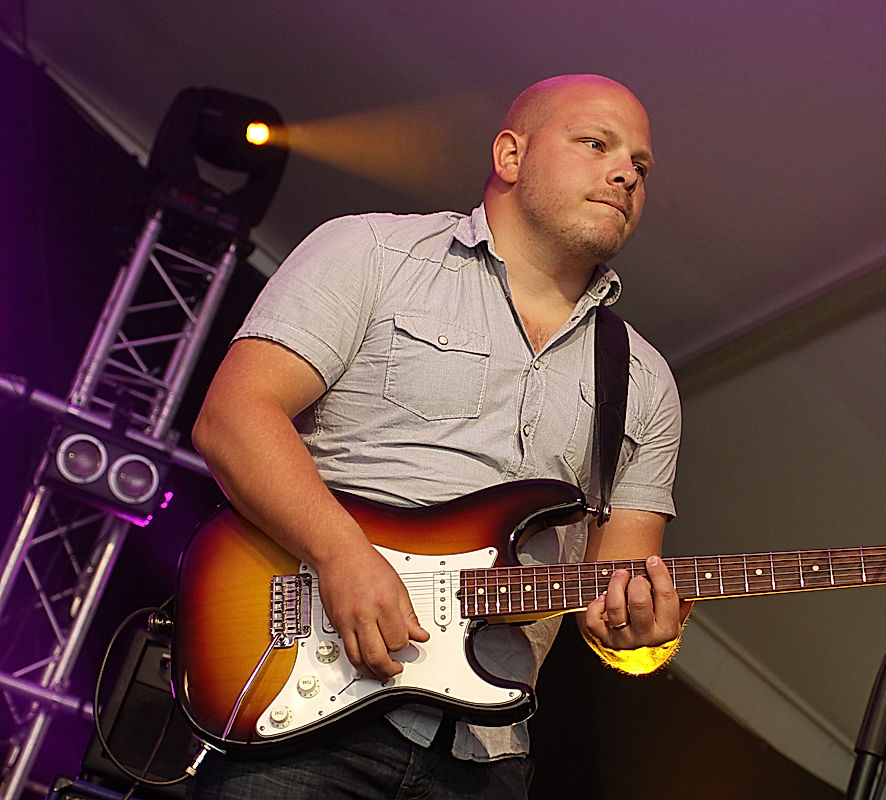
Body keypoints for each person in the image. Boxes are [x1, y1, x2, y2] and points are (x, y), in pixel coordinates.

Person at [188, 73, 687, 799]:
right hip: (300, 704)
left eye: (640, 166)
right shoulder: (371, 252)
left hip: (483, 758)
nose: (625, 173)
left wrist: (644, 639)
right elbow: (233, 416)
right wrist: (342, 555)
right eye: (596, 144)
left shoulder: (644, 380)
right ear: (511, 155)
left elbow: (616, 592)